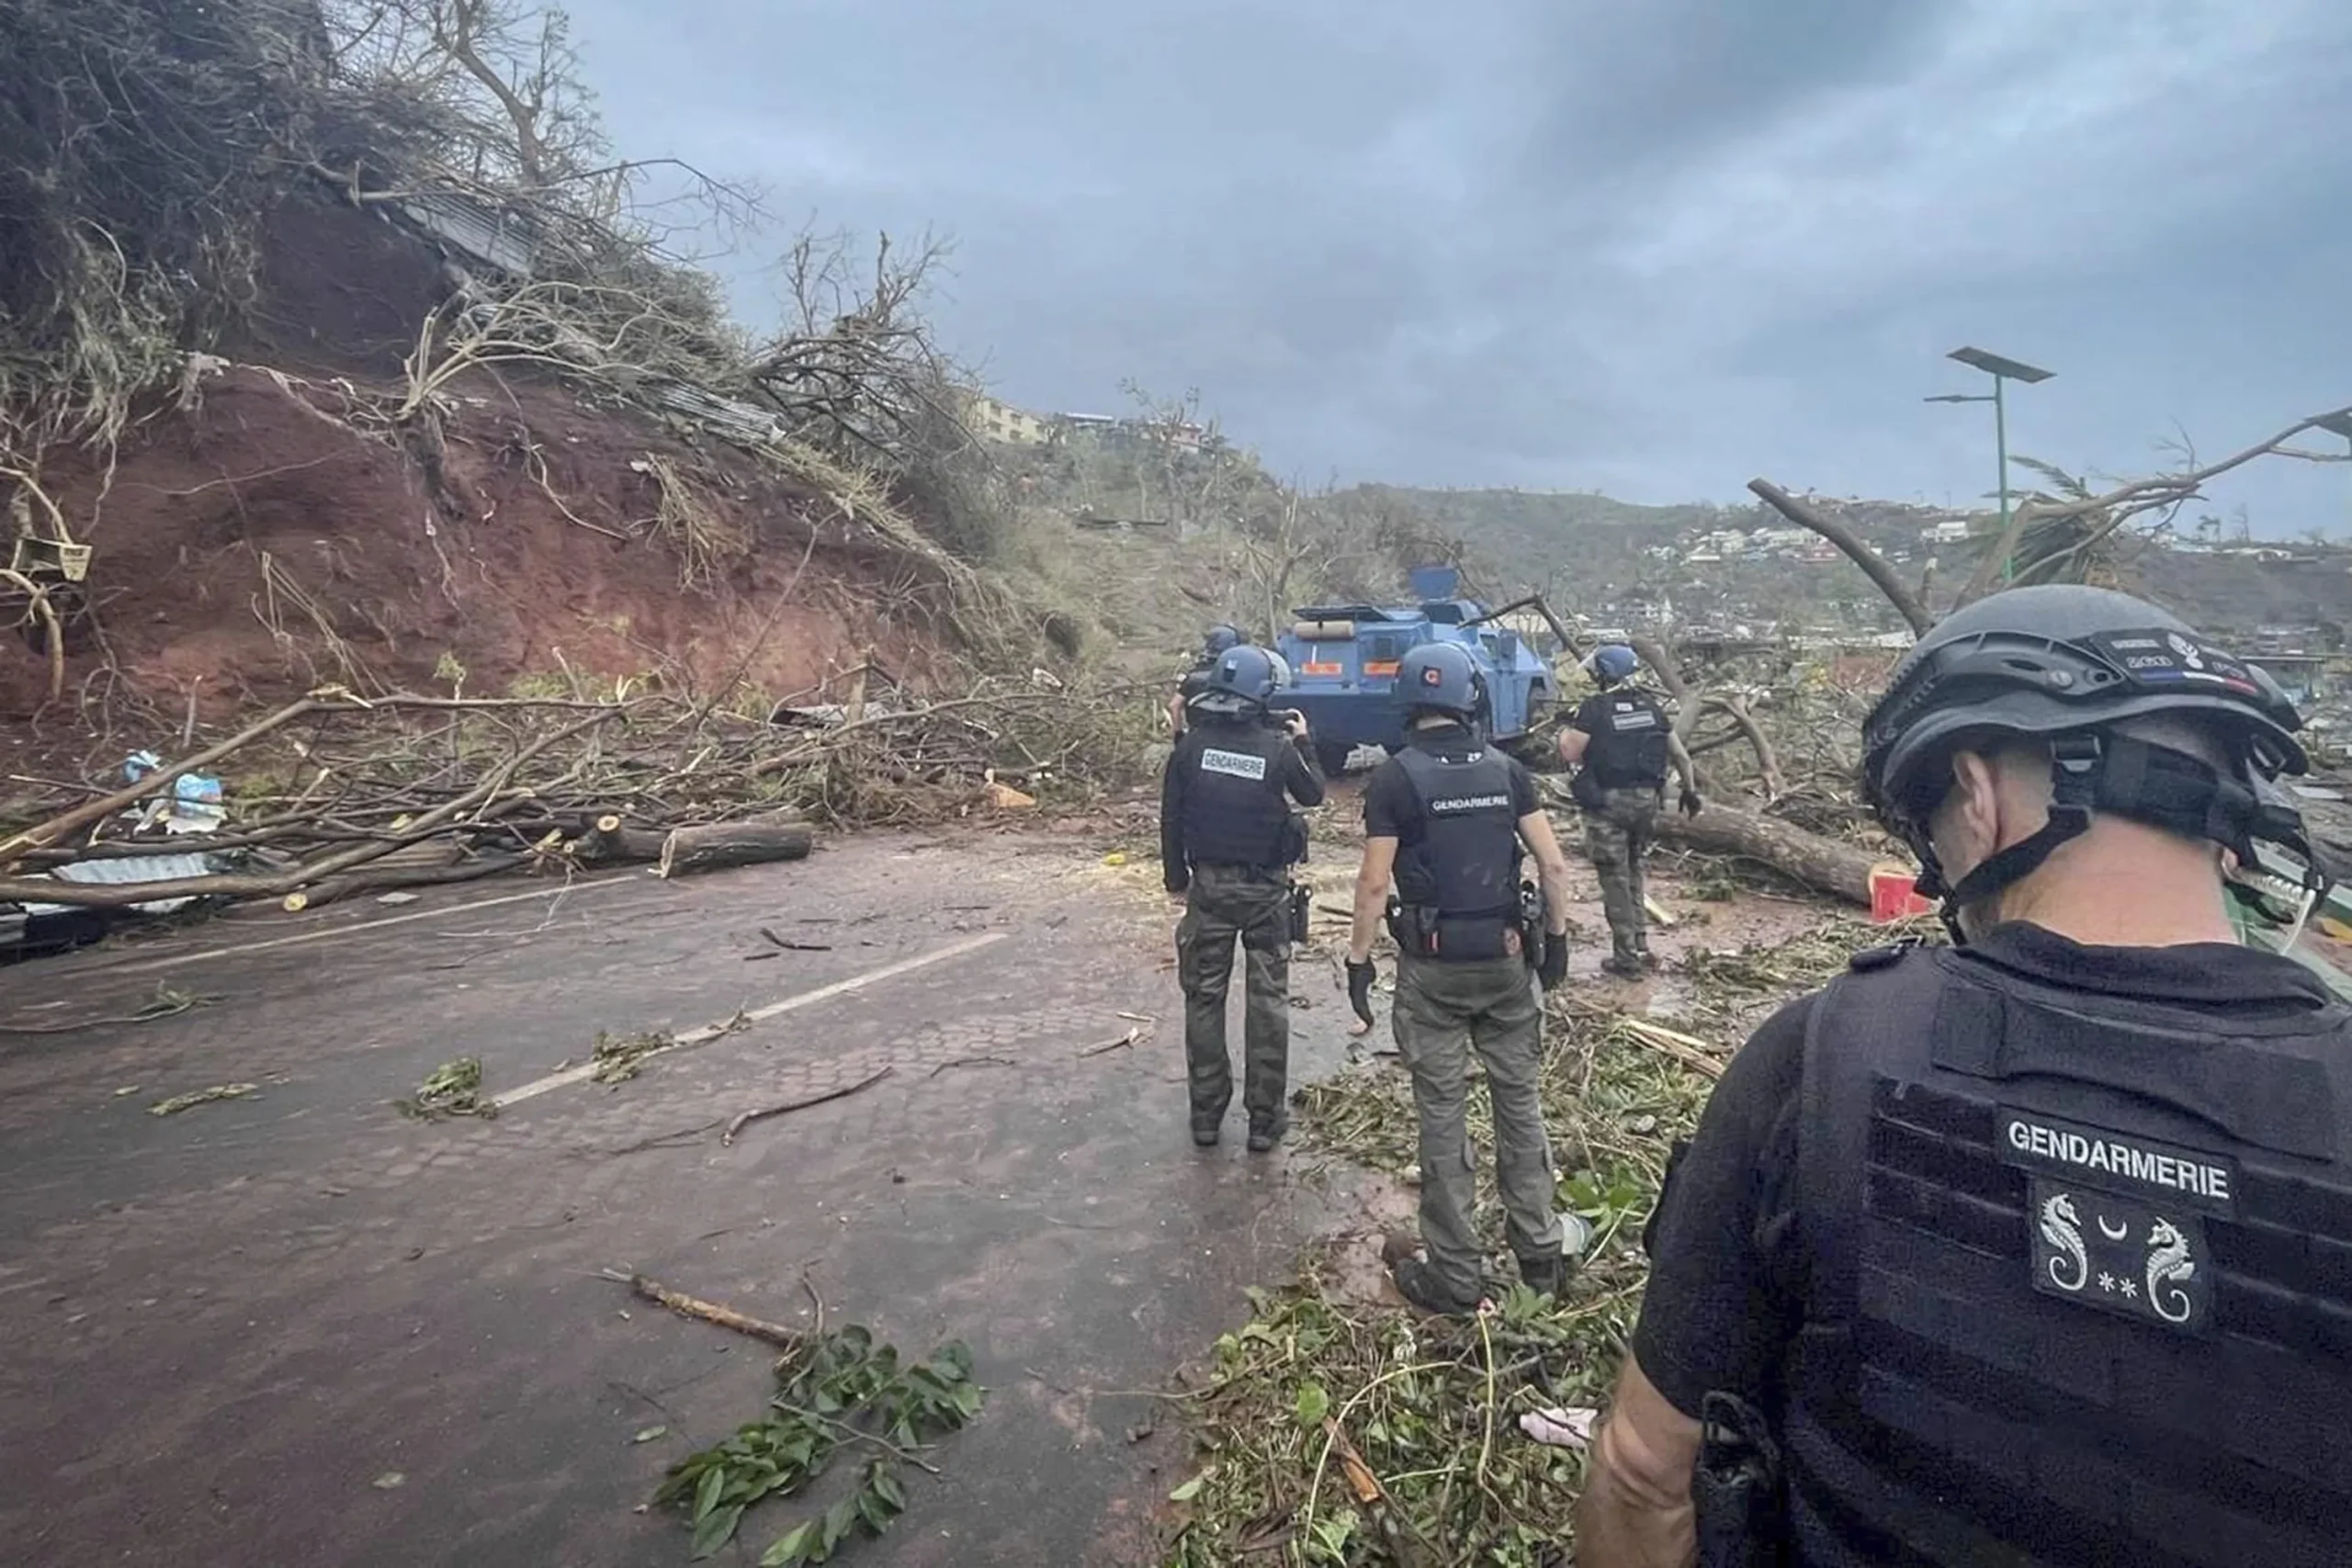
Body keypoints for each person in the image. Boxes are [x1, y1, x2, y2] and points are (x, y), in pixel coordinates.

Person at [1576, 585, 2352, 1568]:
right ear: (2226, 813)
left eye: (1929, 831)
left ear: (1976, 797)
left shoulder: (1824, 1060)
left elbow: (1645, 1470)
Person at [1346, 641, 1579, 1312]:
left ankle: (1454, 1273)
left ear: (1410, 706)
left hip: (1433, 972)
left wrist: (1358, 963)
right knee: (1520, 1105)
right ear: (1469, 698)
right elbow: (1555, 867)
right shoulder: (1507, 771)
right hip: (1508, 963)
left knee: (1442, 1118)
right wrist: (1556, 944)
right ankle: (1539, 1255)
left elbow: (1371, 883)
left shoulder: (1394, 779)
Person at [1160, 642, 1325, 1151]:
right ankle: (1263, 1120)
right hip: (1266, 894)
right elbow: (1314, 793)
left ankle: (1206, 1117)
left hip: (1208, 889)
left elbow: (1170, 819)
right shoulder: (1277, 749)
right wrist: (1305, 743)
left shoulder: (1189, 747)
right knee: (1268, 1002)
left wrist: (1176, 881)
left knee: (1204, 999)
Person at [1558, 643, 1701, 977]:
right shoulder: (1651, 708)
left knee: (1614, 879)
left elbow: (1569, 752)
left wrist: (1565, 729)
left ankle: (1627, 958)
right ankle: (1640, 944)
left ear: (1603, 674)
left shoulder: (1594, 708)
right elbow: (1681, 756)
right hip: (1647, 803)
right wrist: (1691, 792)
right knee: (1635, 869)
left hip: (1608, 804)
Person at [1169, 624, 1246, 738]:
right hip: (1231, 739)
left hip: (1196, 738)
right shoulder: (1239, 678)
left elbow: (1174, 705)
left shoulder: (1193, 677)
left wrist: (1178, 734)